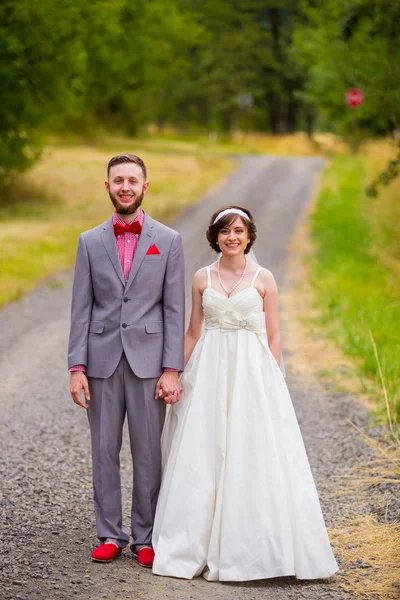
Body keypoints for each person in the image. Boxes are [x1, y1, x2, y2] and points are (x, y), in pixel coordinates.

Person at [152, 205, 338, 581]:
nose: (232, 237)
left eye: (238, 231)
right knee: (204, 449)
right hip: (210, 368)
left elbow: (274, 335)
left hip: (252, 371)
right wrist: (174, 373)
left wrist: (271, 376)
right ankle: (195, 542)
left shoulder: (265, 278)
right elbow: (192, 332)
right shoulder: (202, 277)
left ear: (249, 236)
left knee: (250, 448)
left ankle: (255, 547)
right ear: (215, 237)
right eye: (225, 232)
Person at [68, 153, 185, 566]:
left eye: (132, 180)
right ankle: (109, 534)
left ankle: (146, 537)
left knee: (148, 451)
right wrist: (76, 368)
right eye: (118, 180)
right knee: (103, 450)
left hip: (149, 363)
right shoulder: (89, 241)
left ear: (145, 186)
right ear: (107, 186)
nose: (125, 187)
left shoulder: (168, 240)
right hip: (100, 361)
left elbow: (174, 310)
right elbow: (81, 309)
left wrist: (172, 369)